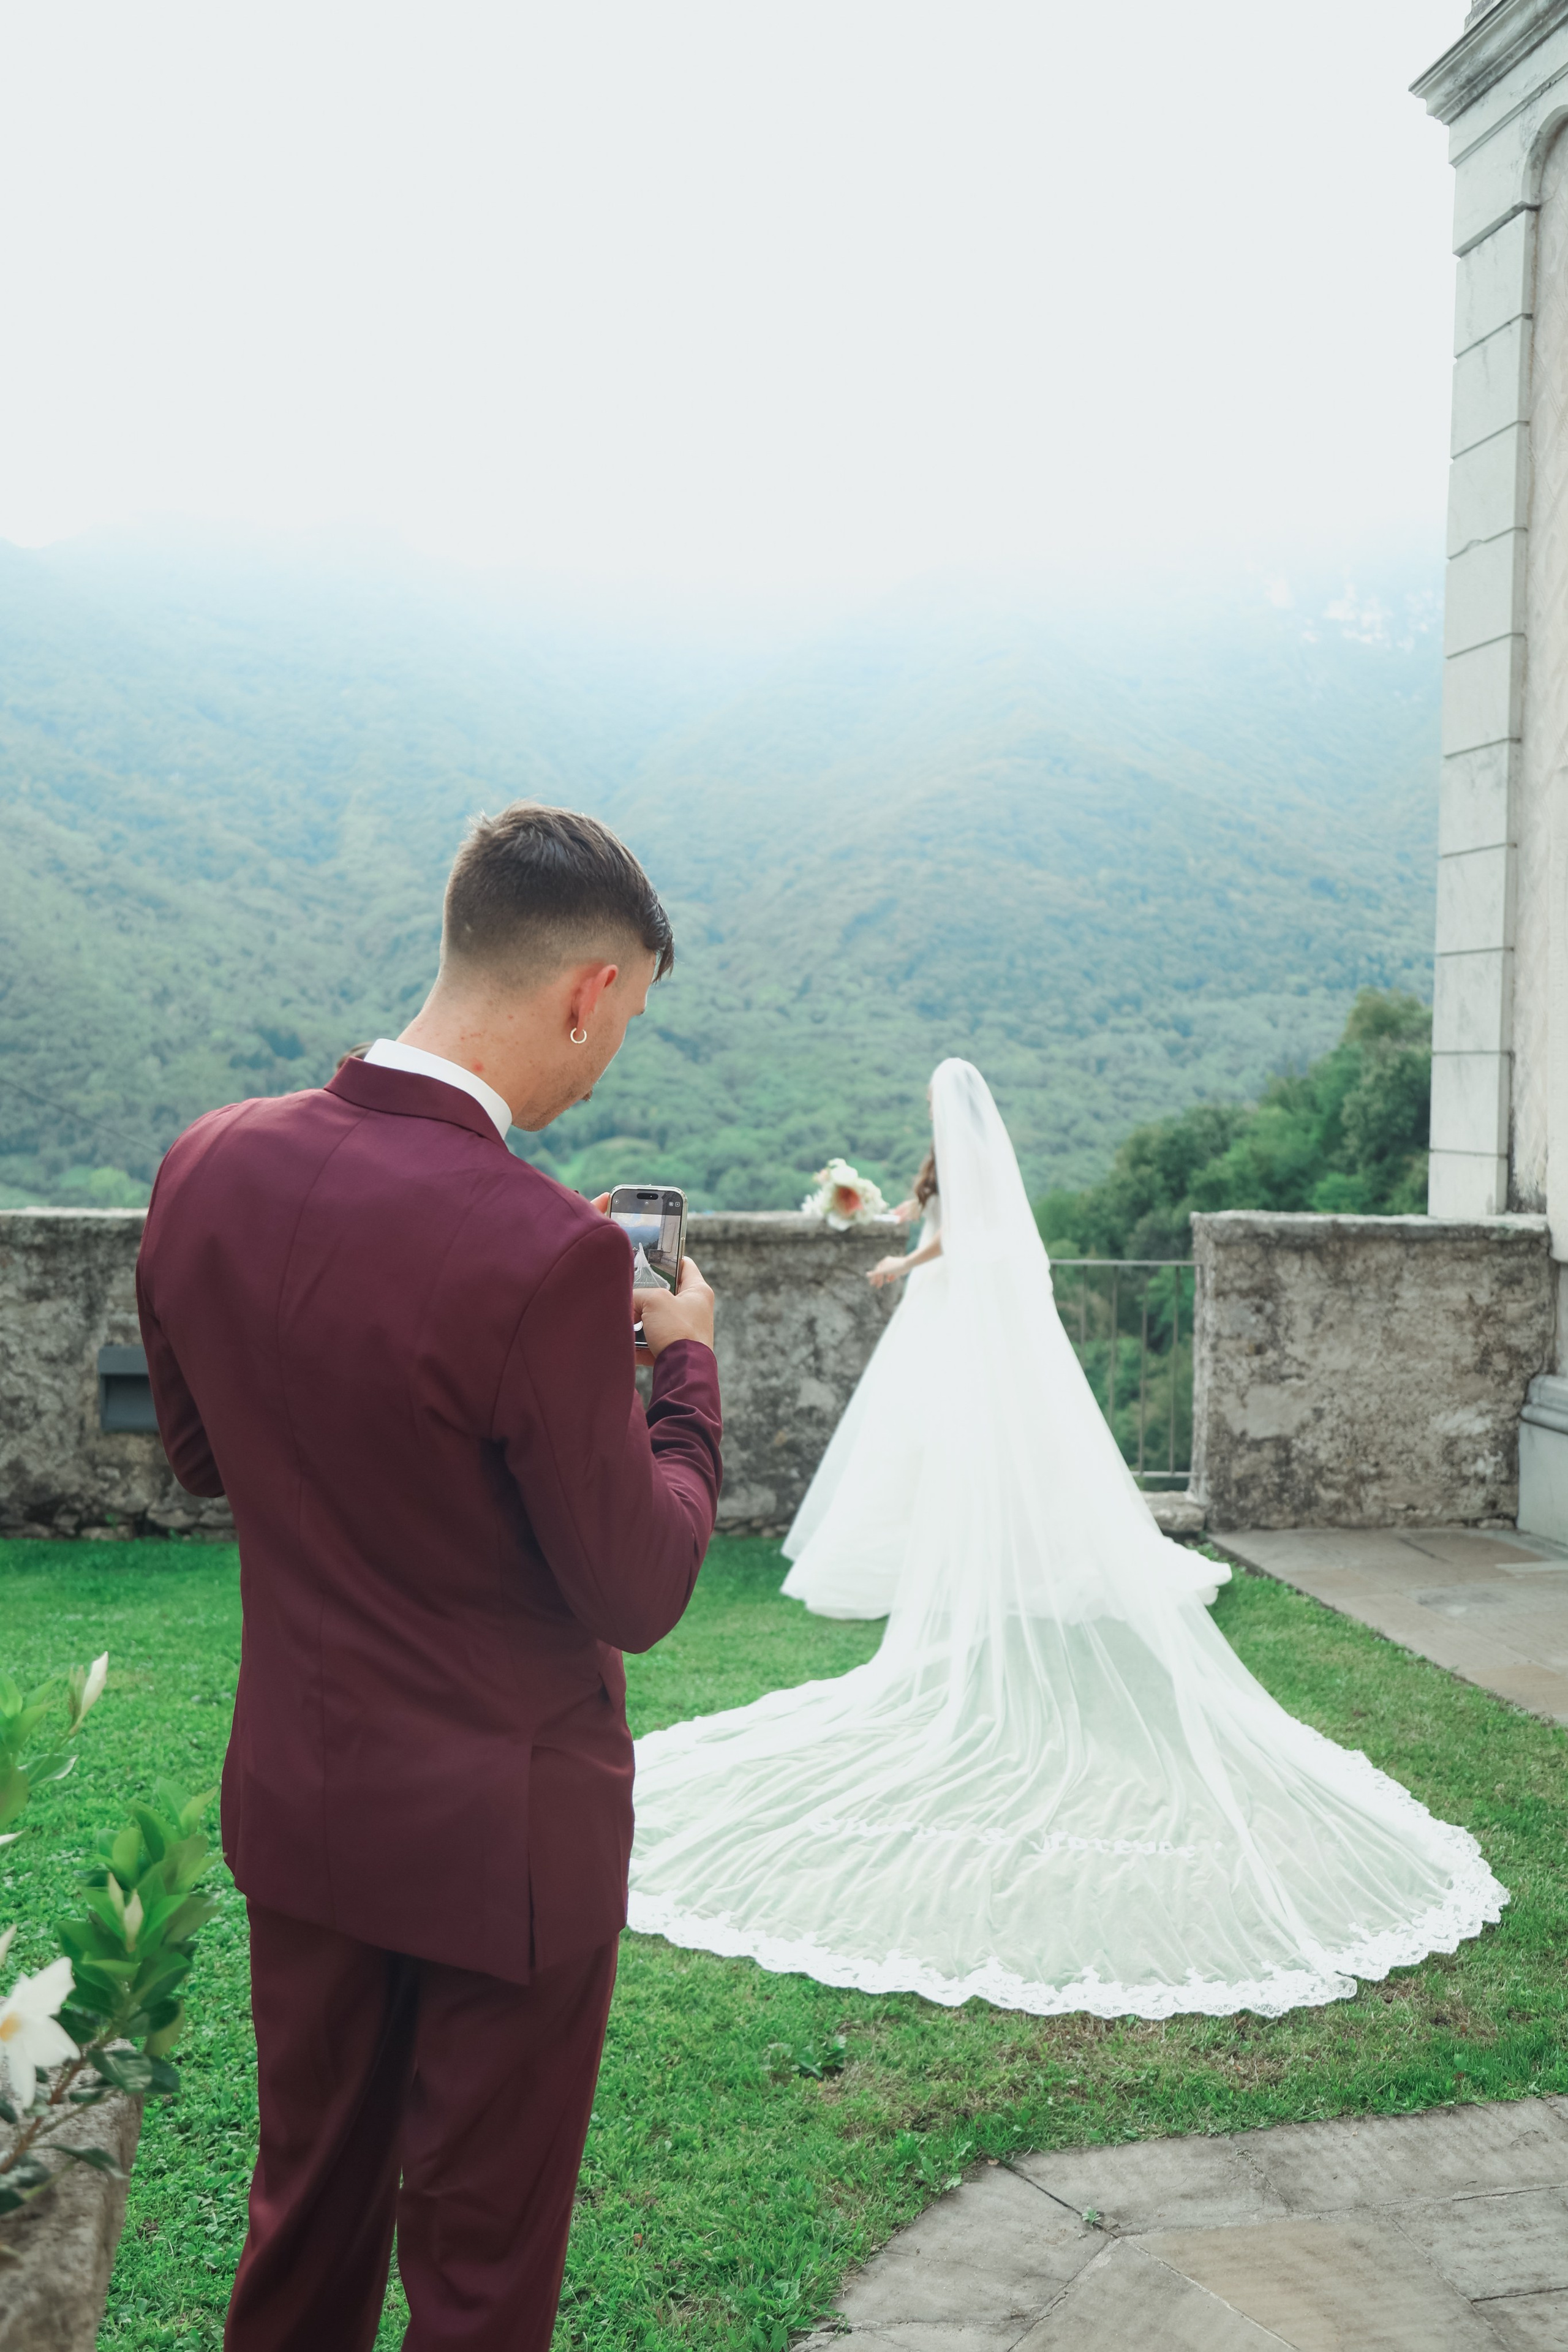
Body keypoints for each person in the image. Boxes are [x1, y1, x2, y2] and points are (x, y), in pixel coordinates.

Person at [137, 802, 722, 2352]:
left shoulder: (203, 1165)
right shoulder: (546, 1253)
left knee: (302, 2221)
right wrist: (683, 1382)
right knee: (476, 2272)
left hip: (308, 1802)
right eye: (627, 1025)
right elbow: (640, 1586)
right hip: (505, 1847)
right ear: (585, 990)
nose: (609, 1064)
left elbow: (206, 1456)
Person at [627, 1058, 1505, 2022]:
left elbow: (963, 1237)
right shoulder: (949, 1162)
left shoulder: (966, 1172)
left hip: (946, 1312)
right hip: (940, 1319)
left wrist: (900, 1259)